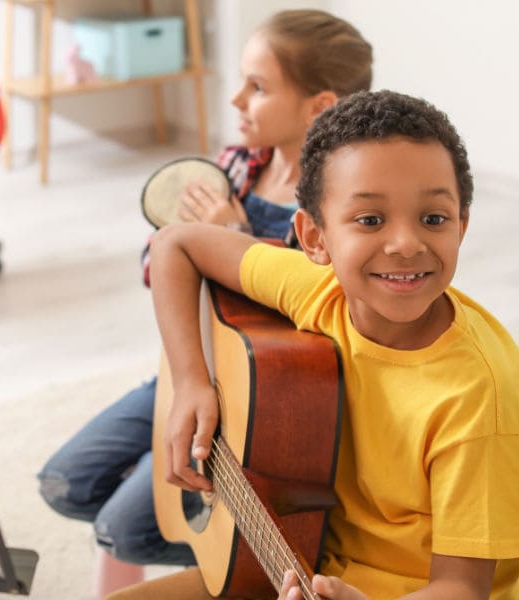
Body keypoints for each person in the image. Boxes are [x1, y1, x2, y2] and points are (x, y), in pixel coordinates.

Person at [108, 90, 519, 600]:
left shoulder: (476, 401)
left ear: (461, 226)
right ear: (314, 238)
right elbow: (174, 244)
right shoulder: (322, 290)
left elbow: (464, 590)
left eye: (433, 218)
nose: (405, 243)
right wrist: (191, 382)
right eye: (370, 220)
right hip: (302, 557)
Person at [37, 8, 373, 572]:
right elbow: (155, 263)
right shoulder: (237, 164)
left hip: (259, 396)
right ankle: (176, 486)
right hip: (185, 364)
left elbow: (318, 312)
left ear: (320, 107)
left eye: (258, 87)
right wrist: (196, 243)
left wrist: (233, 239)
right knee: (63, 483)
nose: (237, 99)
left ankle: (244, 559)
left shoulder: (338, 204)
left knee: (121, 533)